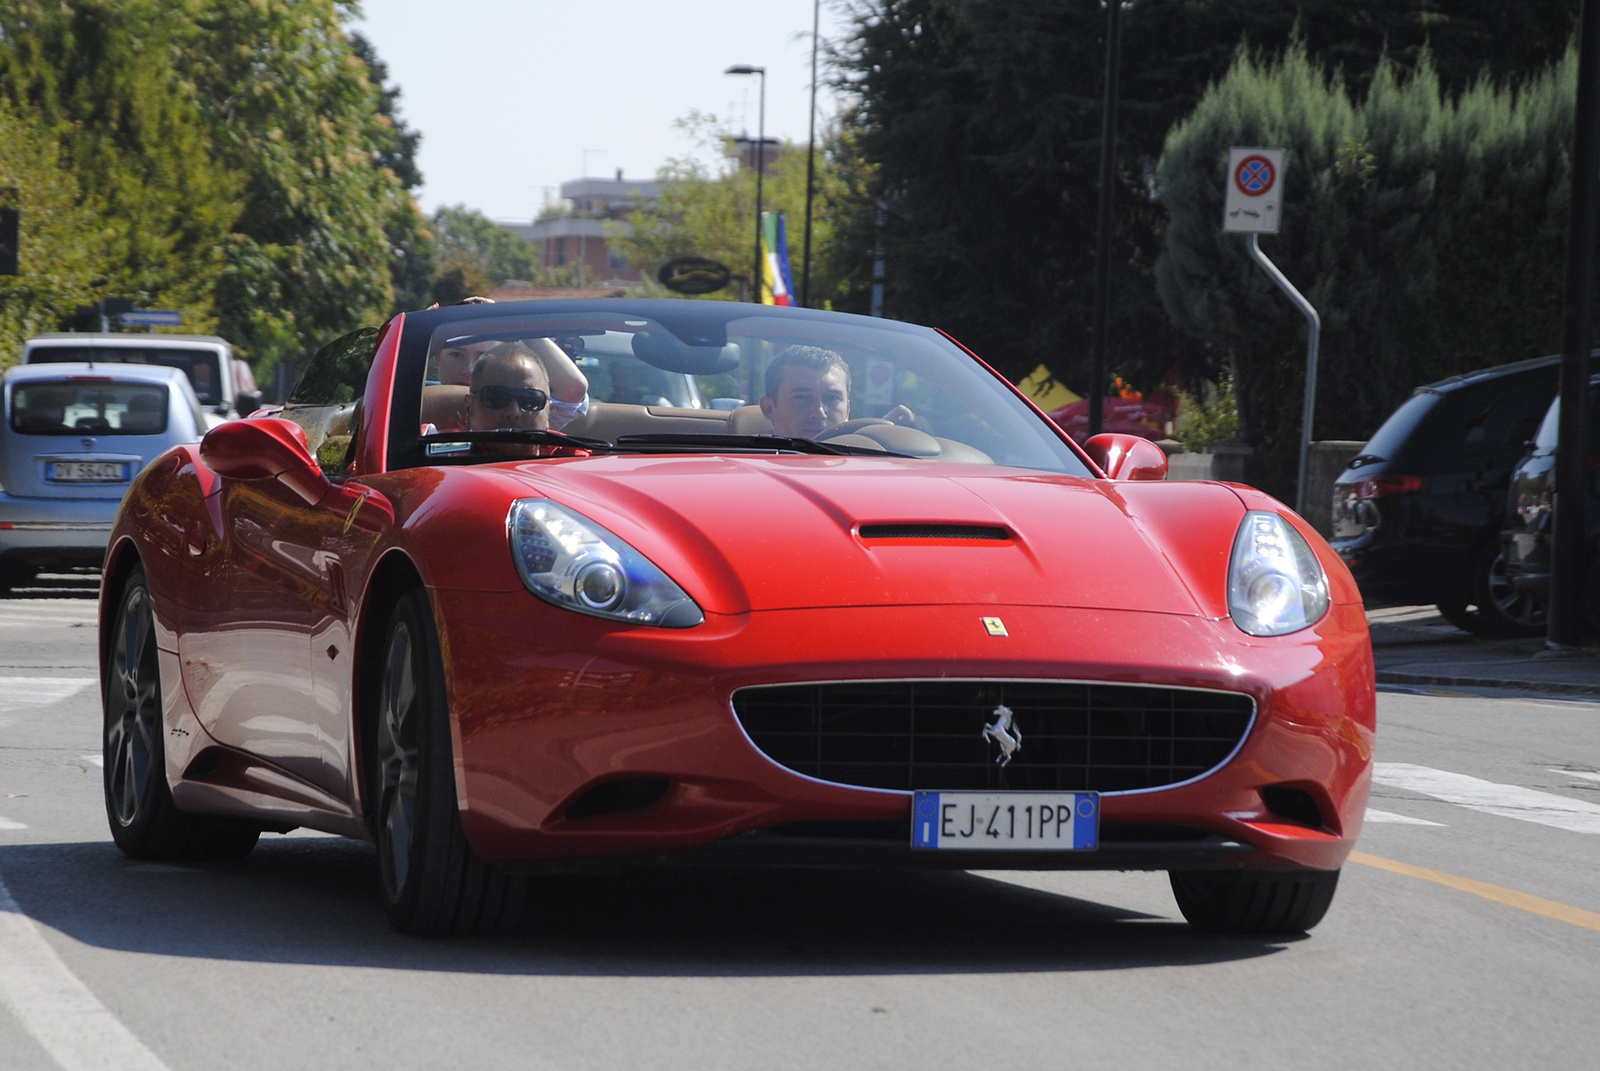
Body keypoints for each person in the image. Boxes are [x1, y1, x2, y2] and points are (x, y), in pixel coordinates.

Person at [758, 345, 853, 439]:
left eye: (832, 398)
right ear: (769, 408)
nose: (819, 413)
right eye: (802, 397)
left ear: (847, 410)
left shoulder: (865, 452)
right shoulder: (747, 453)